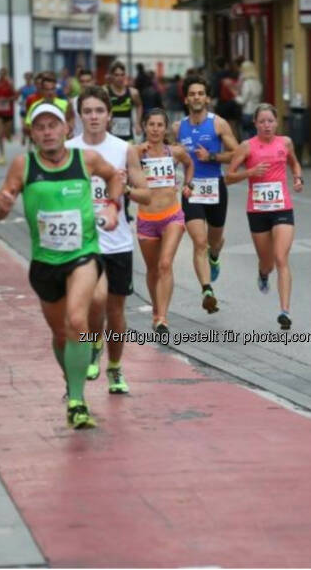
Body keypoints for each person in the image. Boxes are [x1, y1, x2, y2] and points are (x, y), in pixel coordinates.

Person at [0, 103, 122, 429]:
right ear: (32, 133)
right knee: (60, 334)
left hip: (84, 254)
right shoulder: (24, 164)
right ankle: (73, 384)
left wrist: (111, 207)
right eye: (40, 127)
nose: (48, 131)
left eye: (53, 125)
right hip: (44, 261)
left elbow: (113, 177)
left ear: (67, 128)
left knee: (77, 320)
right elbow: (2, 206)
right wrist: (2, 204)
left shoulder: (86, 159)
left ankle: (78, 402)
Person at [66, 86, 150, 392]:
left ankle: (114, 367)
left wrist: (126, 188)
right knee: (92, 305)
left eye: (99, 111)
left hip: (117, 243)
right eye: (87, 111)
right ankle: (93, 342)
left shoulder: (123, 149)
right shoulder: (68, 149)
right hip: (82, 244)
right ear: (80, 115)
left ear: (109, 116)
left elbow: (147, 196)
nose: (93, 117)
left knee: (115, 311)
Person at [225, 103, 304, 329]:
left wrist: (298, 178)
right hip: (258, 211)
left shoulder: (285, 142)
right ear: (255, 124)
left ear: (277, 123)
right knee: (268, 262)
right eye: (262, 122)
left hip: (282, 208)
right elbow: (228, 177)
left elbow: (294, 163)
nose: (267, 125)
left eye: (270, 121)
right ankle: (262, 273)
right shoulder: (246, 147)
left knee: (281, 258)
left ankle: (285, 312)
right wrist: (249, 173)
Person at [172, 75, 238, 313]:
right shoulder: (178, 128)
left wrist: (212, 157)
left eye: (200, 93)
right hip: (192, 188)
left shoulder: (218, 123)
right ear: (186, 99)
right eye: (192, 94)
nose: (196, 97)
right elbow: (171, 156)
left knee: (214, 241)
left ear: (207, 98)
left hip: (215, 187)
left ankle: (215, 256)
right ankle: (207, 290)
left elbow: (238, 153)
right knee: (199, 242)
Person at [133, 108, 193, 335]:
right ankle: (156, 309)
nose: (156, 129)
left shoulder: (174, 152)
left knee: (165, 264)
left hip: (172, 216)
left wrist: (189, 185)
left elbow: (190, 163)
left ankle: (163, 318)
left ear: (165, 128)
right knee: (152, 269)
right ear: (144, 127)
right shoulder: (136, 153)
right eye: (151, 125)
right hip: (146, 219)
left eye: (160, 125)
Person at [106, 60, 143, 142]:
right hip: (110, 135)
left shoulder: (133, 92)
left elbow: (139, 106)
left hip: (128, 135)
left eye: (122, 75)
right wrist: (107, 119)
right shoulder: (105, 92)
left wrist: (138, 123)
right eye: (116, 75)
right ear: (111, 76)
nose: (120, 78)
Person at [235, 61, 262, 139]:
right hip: (256, 111)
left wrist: (235, 97)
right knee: (255, 136)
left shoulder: (247, 83)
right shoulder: (258, 82)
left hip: (247, 112)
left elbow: (243, 100)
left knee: (246, 137)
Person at [0, 67, 16, 165]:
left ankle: (7, 136)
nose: (2, 74)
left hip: (8, 112)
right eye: (0, 73)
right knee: (0, 134)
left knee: (7, 135)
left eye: (4, 73)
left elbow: (15, 96)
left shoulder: (10, 84)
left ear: (6, 74)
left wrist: (7, 100)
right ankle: (2, 155)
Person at [70, 69, 95, 137]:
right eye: (82, 81)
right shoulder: (72, 102)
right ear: (79, 83)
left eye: (88, 81)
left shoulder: (100, 101)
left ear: (93, 81)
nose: (85, 84)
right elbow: (70, 122)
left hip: (95, 141)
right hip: (78, 141)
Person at [16, 72, 36, 146]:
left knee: (31, 127)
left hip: (32, 109)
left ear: (31, 78)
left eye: (29, 78)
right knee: (24, 126)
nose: (28, 79)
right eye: (26, 78)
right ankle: (24, 136)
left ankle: (32, 139)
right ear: (25, 79)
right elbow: (16, 97)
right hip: (23, 109)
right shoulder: (22, 88)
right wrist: (20, 102)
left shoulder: (35, 88)